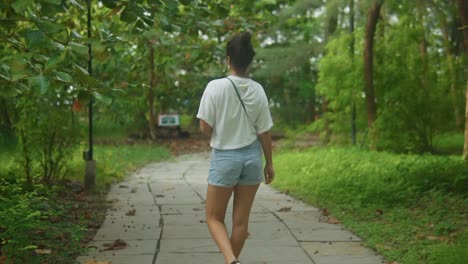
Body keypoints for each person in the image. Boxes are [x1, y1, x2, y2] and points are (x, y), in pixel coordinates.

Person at [196, 32, 275, 264]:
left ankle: (231, 260)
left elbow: (204, 126)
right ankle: (232, 261)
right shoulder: (258, 90)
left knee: (213, 217)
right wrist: (269, 163)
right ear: (249, 62)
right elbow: (265, 131)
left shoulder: (215, 87)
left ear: (228, 59)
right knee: (241, 224)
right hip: (252, 157)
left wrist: (220, 133)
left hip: (225, 158)